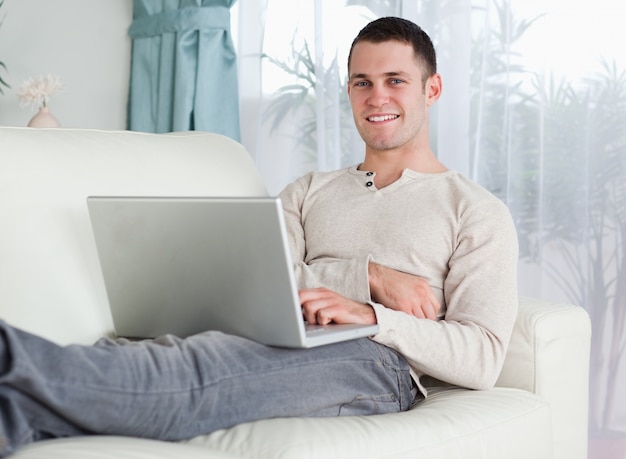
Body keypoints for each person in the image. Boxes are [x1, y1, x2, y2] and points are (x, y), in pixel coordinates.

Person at [0, 16, 518, 456]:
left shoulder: (474, 210)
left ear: (432, 88)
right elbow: (267, 276)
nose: (376, 97)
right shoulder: (309, 191)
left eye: (395, 80)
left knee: (195, 371)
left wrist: (373, 317)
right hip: (278, 328)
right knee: (143, 353)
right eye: (361, 82)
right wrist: (368, 278)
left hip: (377, 362)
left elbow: (482, 356)